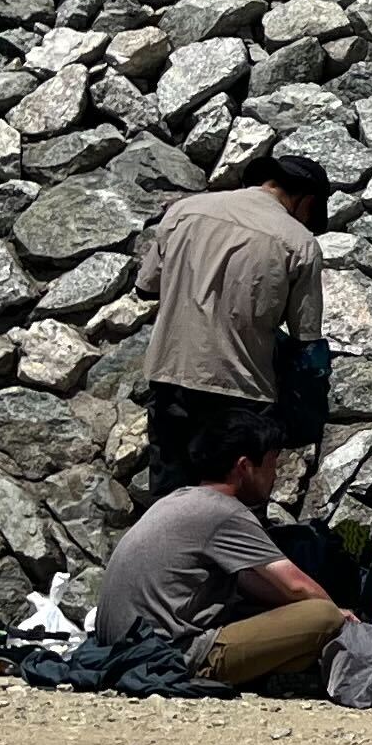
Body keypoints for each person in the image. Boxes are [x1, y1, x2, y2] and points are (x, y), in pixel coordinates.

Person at [92, 403, 348, 692]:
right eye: (272, 464)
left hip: (122, 647)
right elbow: (298, 587)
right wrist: (343, 619)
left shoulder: (180, 499)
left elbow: (248, 581)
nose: (275, 476)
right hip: (172, 655)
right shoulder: (226, 512)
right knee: (322, 616)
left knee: (287, 617)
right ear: (244, 467)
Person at [134, 153, 330, 493]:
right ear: (307, 202)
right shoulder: (299, 242)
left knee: (170, 496)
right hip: (241, 389)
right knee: (233, 502)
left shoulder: (184, 211)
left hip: (171, 377)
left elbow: (146, 286)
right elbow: (305, 336)